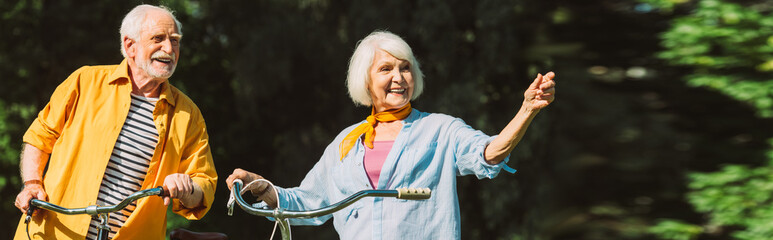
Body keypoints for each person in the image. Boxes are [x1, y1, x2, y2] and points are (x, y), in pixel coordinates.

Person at [226, 30, 555, 239]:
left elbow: (489, 154)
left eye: (405, 67)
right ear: (365, 81)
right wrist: (264, 188)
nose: (399, 77)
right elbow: (309, 204)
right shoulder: (346, 141)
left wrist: (526, 110)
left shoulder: (441, 128)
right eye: (386, 69)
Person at [13, 4, 217, 240]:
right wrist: (32, 183)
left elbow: (205, 186)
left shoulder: (188, 114)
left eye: (175, 40)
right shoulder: (85, 81)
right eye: (158, 38)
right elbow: (40, 137)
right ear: (130, 46)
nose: (169, 48)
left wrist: (188, 188)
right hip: (54, 233)